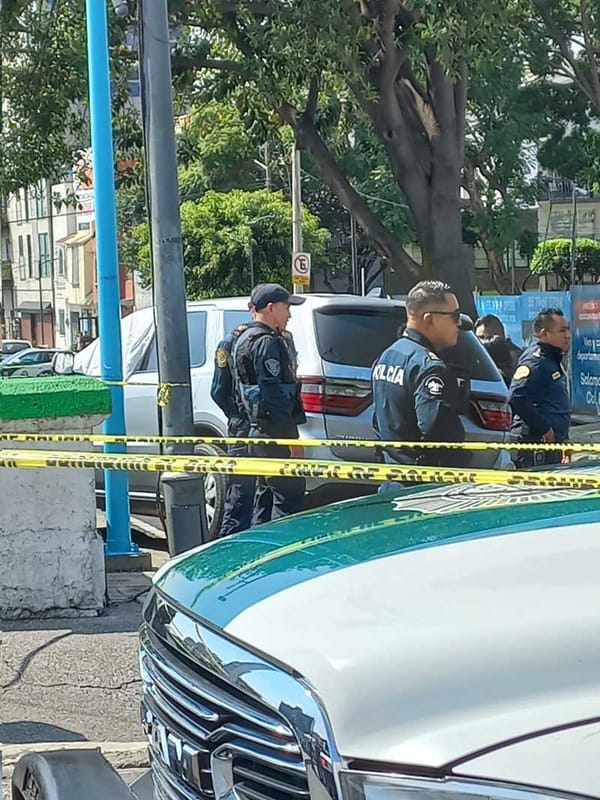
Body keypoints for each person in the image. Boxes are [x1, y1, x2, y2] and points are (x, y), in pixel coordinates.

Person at [372, 280, 469, 478]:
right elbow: (437, 430)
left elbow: (378, 421)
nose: (459, 323)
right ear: (429, 319)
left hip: (392, 476)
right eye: (455, 316)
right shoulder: (430, 367)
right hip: (423, 484)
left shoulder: (388, 355)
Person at [233, 283, 307, 525]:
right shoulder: (266, 342)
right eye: (286, 308)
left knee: (264, 499)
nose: (290, 315)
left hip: (258, 430)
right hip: (273, 433)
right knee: (289, 498)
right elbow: (272, 393)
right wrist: (290, 440)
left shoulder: (243, 338)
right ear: (271, 308)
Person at [210, 303, 255, 537]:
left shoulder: (275, 337)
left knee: (257, 495)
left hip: (257, 428)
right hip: (241, 427)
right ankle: (227, 546)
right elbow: (218, 390)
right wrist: (238, 415)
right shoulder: (229, 343)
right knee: (239, 494)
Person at [509, 307, 571, 469]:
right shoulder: (536, 361)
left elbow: (554, 401)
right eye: (562, 331)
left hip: (549, 444)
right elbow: (516, 397)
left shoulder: (551, 359)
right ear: (544, 334)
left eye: (568, 330)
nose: (568, 336)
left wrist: (563, 439)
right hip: (534, 445)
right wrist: (545, 429)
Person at [474, 313, 522, 386]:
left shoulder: (515, 357)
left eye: (483, 337)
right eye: (477, 338)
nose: (479, 342)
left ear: (497, 336)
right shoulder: (479, 356)